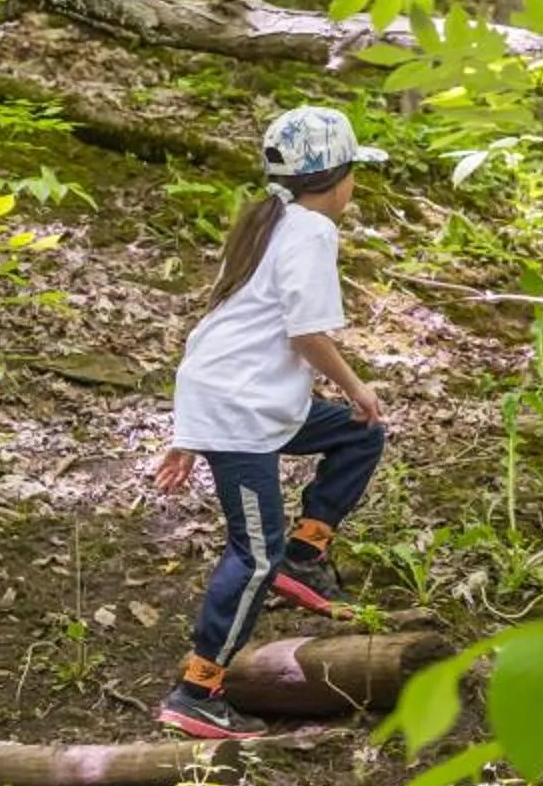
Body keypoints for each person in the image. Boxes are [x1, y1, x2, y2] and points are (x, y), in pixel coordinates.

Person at [154, 106, 391, 742]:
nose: (354, 189)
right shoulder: (309, 231)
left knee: (359, 434)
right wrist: (356, 385)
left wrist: (186, 430)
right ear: (338, 178)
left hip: (248, 403)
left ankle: (304, 557)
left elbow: (219, 330)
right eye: (354, 177)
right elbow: (306, 331)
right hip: (240, 411)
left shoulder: (278, 220)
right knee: (252, 553)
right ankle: (197, 689)